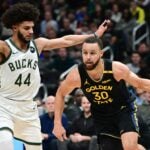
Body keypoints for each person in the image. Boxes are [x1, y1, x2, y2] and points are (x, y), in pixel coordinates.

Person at [0, 2, 110, 150]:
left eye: (32, 27)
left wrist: (94, 35)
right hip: (5, 105)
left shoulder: (37, 44)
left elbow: (66, 41)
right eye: (26, 28)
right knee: (5, 143)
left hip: (28, 108)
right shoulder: (5, 48)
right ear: (14, 27)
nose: (31, 31)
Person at [52, 36, 150, 150]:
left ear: (101, 54)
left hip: (123, 109)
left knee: (129, 147)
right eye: (85, 53)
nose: (88, 57)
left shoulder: (115, 69)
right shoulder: (76, 75)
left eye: (92, 53)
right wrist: (57, 123)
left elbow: (141, 83)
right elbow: (60, 94)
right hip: (102, 115)